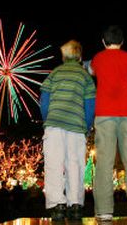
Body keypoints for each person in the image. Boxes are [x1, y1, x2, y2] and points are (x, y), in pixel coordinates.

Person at [90, 25, 127, 221]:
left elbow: (89, 67)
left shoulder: (98, 58)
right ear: (122, 42)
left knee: (104, 161)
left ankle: (105, 209)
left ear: (103, 42)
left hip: (104, 114)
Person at [39, 40, 96, 221]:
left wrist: (47, 119)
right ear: (79, 57)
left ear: (63, 57)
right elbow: (90, 105)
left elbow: (44, 99)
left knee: (54, 164)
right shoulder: (85, 76)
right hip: (76, 127)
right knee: (76, 164)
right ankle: (76, 204)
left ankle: (57, 205)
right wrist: (87, 126)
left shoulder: (55, 73)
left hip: (54, 125)